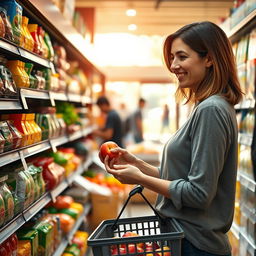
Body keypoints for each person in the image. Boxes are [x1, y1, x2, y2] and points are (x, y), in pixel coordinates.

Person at [100, 21, 243, 256]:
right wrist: (139, 166)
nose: (174, 65)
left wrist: (141, 180)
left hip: (195, 245)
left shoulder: (211, 110)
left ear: (209, 59)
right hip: (185, 239)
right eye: (172, 58)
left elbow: (198, 194)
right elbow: (183, 179)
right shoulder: (206, 107)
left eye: (182, 57)